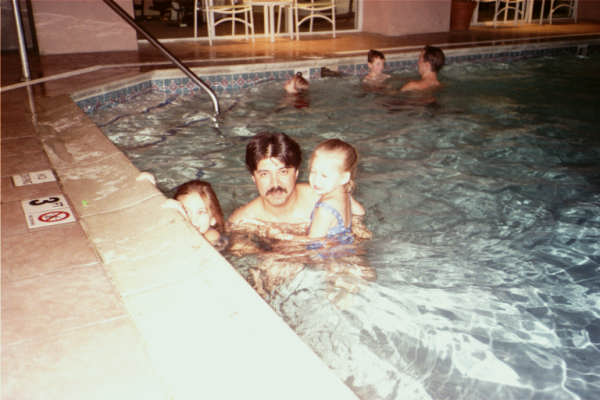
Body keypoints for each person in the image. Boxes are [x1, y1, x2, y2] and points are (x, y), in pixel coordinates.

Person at [173, 180, 227, 250]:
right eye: (186, 211)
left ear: (213, 219)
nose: (193, 219)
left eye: (201, 212)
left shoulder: (211, 236)